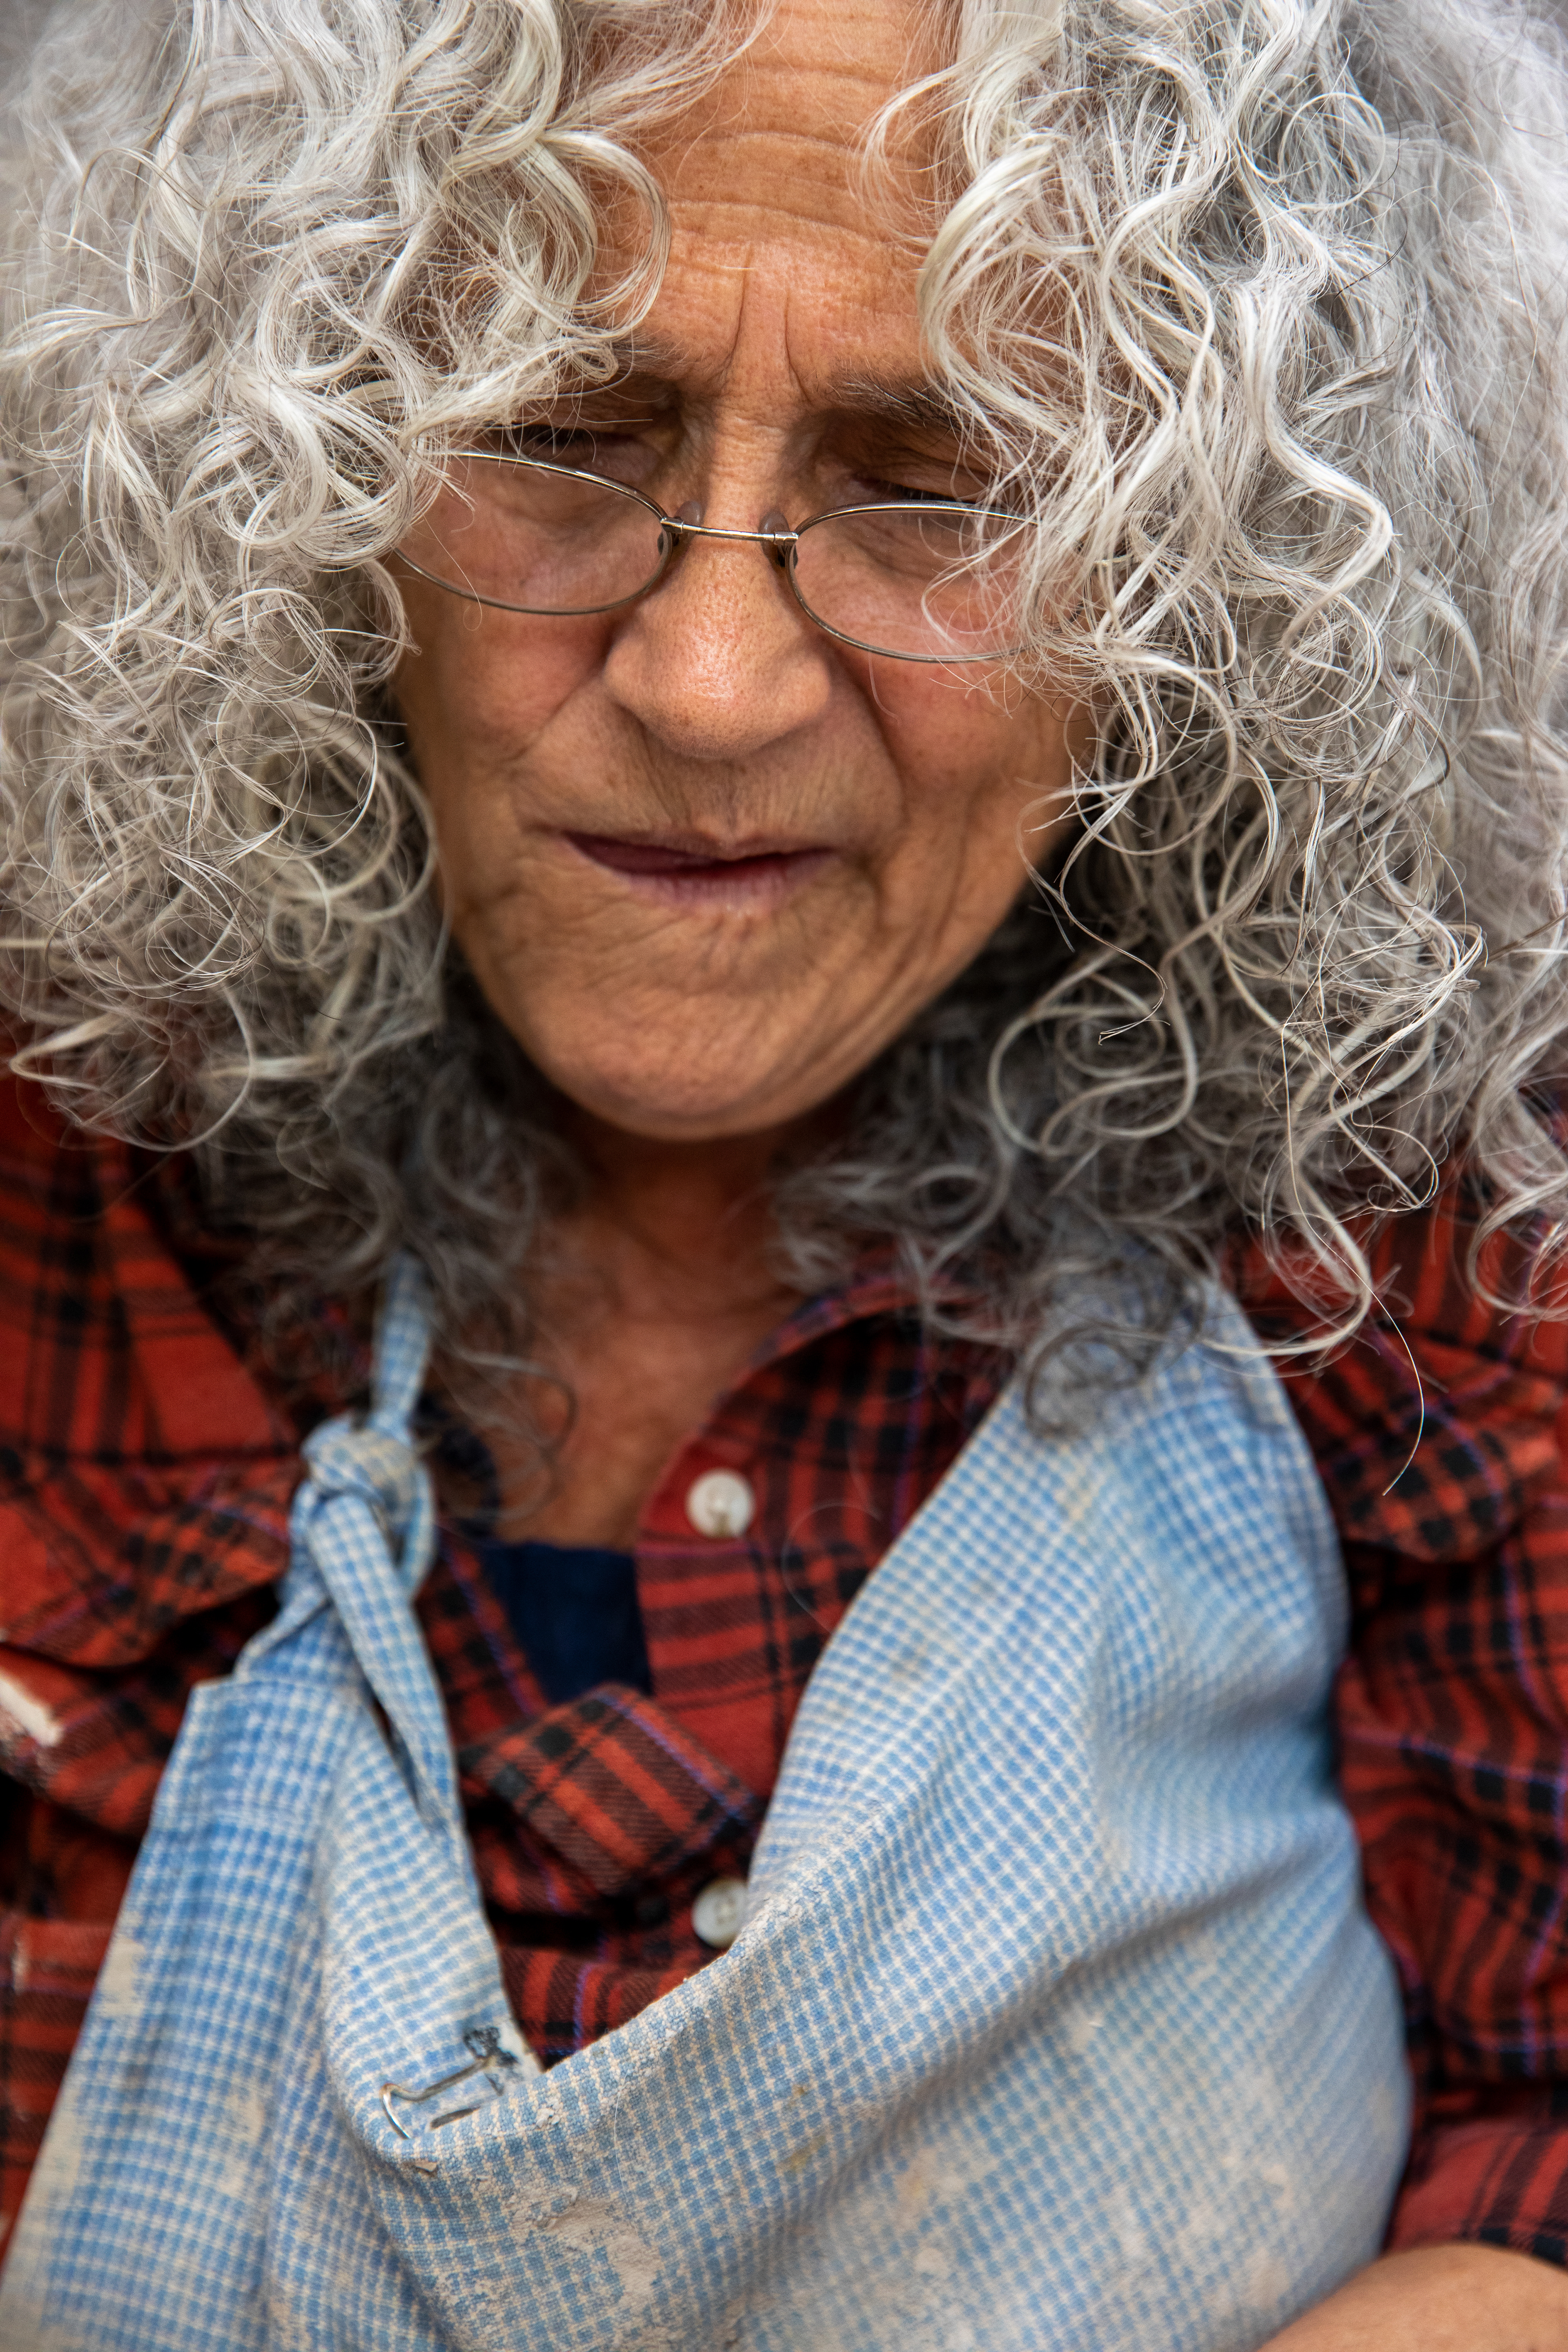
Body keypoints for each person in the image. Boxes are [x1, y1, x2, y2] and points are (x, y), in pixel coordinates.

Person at [0, 0, 1566, 2342]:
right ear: (281, 448)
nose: (713, 681)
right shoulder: (61, 1148)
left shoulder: (1427, 1238)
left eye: (942, 479)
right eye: (551, 432)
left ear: (1219, 560)